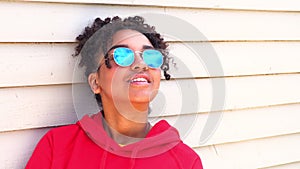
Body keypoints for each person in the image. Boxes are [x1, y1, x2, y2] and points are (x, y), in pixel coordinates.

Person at [26, 16, 203, 169]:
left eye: (150, 56)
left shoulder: (185, 161)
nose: (141, 64)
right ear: (96, 82)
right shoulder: (57, 147)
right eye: (123, 55)